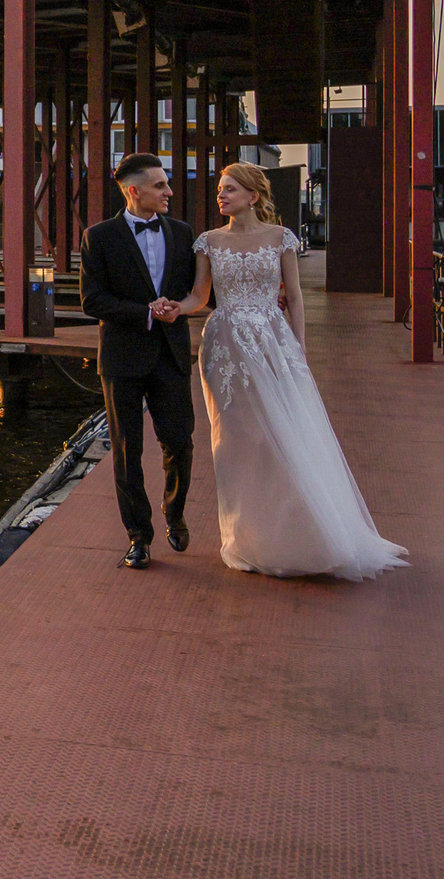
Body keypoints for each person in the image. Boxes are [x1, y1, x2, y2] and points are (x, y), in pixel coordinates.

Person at [167, 162, 409, 580]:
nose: (221, 196)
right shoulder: (208, 242)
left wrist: (298, 350)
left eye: (230, 189)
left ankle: (299, 535)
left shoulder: (281, 238)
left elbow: (294, 298)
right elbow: (200, 295)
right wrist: (175, 308)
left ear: (253, 196)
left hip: (272, 341)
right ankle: (247, 538)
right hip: (224, 347)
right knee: (235, 439)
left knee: (281, 433)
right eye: (220, 189)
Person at [79, 154, 197, 570]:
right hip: (122, 356)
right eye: (161, 185)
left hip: (170, 354)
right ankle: (138, 536)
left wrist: (177, 309)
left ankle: (174, 510)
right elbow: (92, 300)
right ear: (135, 191)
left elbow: (198, 293)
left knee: (180, 442)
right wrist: (146, 311)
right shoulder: (99, 237)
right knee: (127, 451)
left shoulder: (183, 234)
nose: (168, 192)